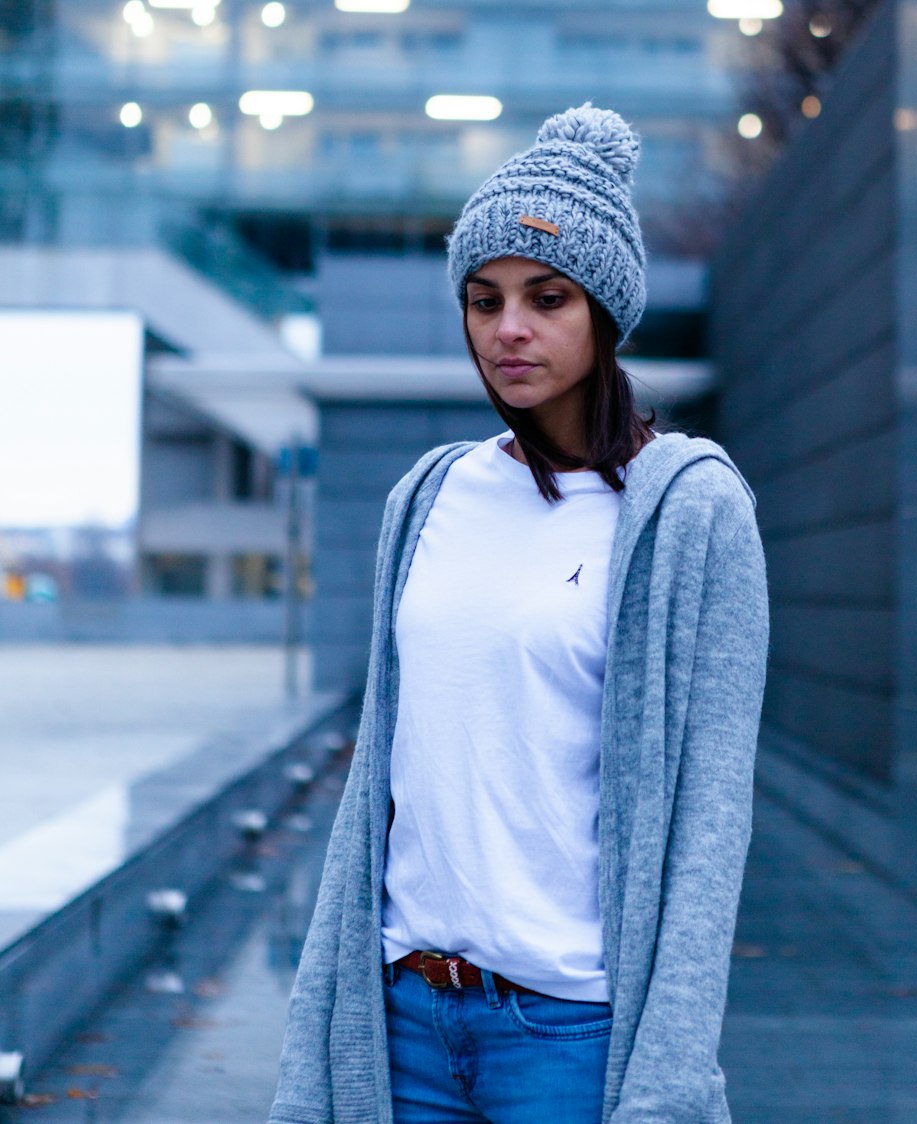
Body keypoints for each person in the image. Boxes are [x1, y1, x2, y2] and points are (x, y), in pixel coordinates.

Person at [269, 103, 769, 1124]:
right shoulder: (427, 495)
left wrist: (666, 1079)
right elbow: (379, 781)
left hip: (570, 1036)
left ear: (605, 314)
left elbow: (710, 828)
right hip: (401, 1015)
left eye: (548, 297)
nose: (509, 328)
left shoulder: (687, 510)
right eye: (483, 298)